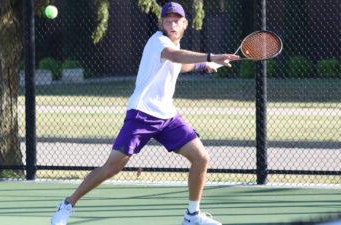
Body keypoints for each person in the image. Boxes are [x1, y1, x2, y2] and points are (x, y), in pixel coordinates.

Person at [51, 2, 239, 225]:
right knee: (113, 166)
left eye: (176, 20)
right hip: (141, 114)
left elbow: (180, 65)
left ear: (185, 24)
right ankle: (67, 204)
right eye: (167, 20)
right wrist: (211, 57)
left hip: (167, 117)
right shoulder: (158, 41)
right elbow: (175, 56)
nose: (172, 23)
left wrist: (202, 66)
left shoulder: (175, 44)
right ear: (161, 23)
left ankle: (192, 215)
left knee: (201, 157)